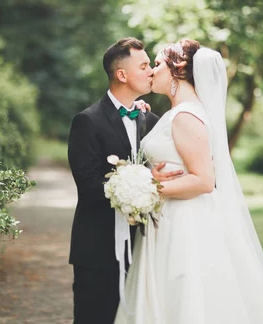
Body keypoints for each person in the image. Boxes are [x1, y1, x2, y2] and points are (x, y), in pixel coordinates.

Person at [115, 40, 263, 323]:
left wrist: (148, 189)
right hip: (168, 219)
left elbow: (203, 180)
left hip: (185, 224)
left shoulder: (187, 116)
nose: (153, 71)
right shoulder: (177, 113)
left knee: (186, 298)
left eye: (158, 64)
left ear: (178, 70)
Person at [67, 37, 181, 324]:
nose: (151, 71)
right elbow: (90, 186)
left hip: (144, 246)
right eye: (143, 66)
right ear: (122, 74)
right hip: (97, 247)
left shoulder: (150, 121)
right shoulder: (87, 121)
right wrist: (145, 183)